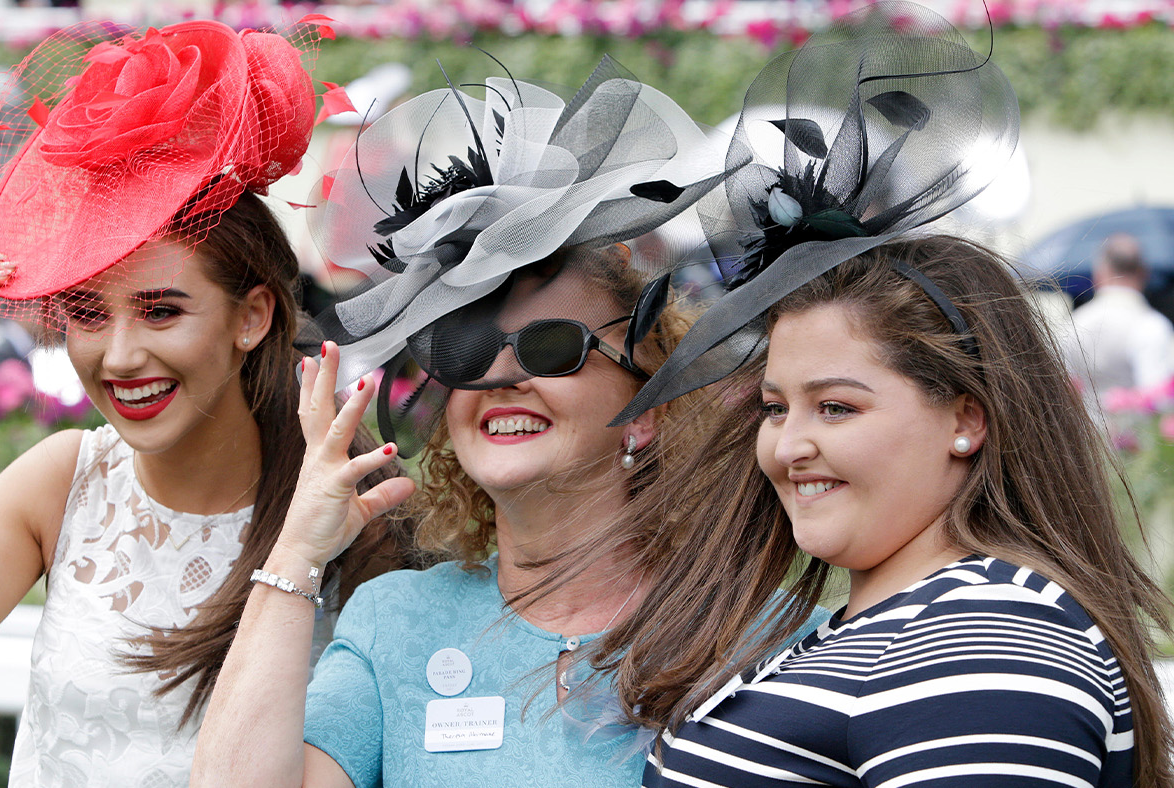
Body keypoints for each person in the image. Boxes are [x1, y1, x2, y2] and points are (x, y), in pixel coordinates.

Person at [0, 19, 411, 788]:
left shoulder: (348, 516)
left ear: (252, 316)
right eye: (88, 313)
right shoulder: (62, 483)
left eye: (161, 311)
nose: (119, 357)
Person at [188, 61, 831, 788]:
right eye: (466, 350)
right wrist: (298, 550)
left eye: (550, 347)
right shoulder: (397, 620)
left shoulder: (762, 635)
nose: (503, 376)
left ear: (646, 411)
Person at [587, 5, 1173, 786]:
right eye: (775, 407)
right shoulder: (905, 622)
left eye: (837, 406)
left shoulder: (983, 640)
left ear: (967, 419)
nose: (789, 445)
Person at [1063, 232, 1174, 402]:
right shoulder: (1151, 325)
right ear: (1144, 273)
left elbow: (1065, 387)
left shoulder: (1072, 325)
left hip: (1084, 418)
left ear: (1099, 273)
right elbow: (1158, 397)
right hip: (1135, 419)